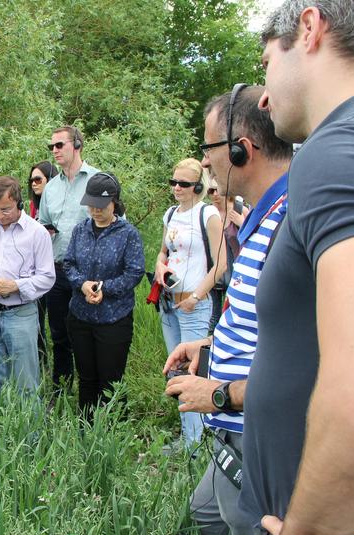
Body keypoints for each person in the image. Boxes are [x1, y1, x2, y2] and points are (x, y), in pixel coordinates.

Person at [239, 3, 354, 533]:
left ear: (308, 29)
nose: (264, 96)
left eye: (266, 63)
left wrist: (307, 524)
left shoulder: (331, 153)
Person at [163, 84, 292, 535]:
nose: (203, 163)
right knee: (205, 513)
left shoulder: (292, 224)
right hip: (233, 432)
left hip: (260, 434)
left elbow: (311, 370)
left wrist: (217, 393)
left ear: (242, 150)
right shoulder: (263, 217)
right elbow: (270, 322)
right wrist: (211, 342)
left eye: (208, 148)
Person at [153, 157, 226, 450]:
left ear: (197, 186)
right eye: (174, 182)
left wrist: (197, 296)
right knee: (176, 370)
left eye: (184, 184)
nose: (177, 188)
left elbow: (220, 264)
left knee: (192, 371)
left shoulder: (207, 214)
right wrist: (160, 268)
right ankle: (188, 435)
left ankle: (196, 442)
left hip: (193, 305)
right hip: (169, 301)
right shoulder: (171, 214)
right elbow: (162, 251)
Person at [63, 173, 144, 421]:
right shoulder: (80, 230)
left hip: (113, 319)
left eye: (101, 206)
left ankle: (114, 433)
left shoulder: (127, 234)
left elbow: (135, 272)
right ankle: (86, 428)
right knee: (86, 377)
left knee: (111, 380)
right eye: (91, 206)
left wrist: (103, 287)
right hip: (81, 316)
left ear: (115, 203)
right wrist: (83, 284)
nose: (95, 211)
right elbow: (68, 264)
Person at [0, 176, 55, 396]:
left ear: (19, 203)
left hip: (21, 315)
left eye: (5, 210)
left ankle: (29, 430)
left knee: (25, 381)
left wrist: (15, 286)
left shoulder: (37, 233)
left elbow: (47, 277)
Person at [38, 126, 100, 396]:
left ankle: (93, 396)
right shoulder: (50, 188)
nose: (54, 151)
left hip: (89, 271)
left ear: (77, 145)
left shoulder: (98, 180)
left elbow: (115, 224)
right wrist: (46, 229)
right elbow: (42, 223)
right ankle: (60, 391)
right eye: (51, 147)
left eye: (60, 145)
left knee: (88, 336)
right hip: (57, 270)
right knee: (59, 336)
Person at [206, 178, 246, 332]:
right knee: (213, 317)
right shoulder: (208, 212)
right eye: (211, 191)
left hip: (236, 271)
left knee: (233, 312)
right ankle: (209, 350)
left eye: (217, 190)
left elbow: (255, 236)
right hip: (214, 270)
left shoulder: (238, 208)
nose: (215, 194)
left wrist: (241, 222)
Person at [28, 161, 57, 365]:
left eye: (38, 179)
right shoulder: (33, 206)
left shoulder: (56, 205)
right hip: (34, 268)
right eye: (31, 180)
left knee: (57, 321)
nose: (34, 184)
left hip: (56, 265)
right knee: (36, 317)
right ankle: (40, 359)